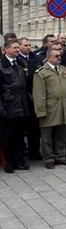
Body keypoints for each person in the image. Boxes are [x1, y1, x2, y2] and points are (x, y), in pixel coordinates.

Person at [33, 49, 66, 169]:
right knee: (47, 135)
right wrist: (41, 111)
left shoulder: (65, 71)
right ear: (48, 57)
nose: (59, 58)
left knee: (61, 133)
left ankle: (60, 156)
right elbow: (39, 94)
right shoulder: (41, 73)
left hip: (63, 106)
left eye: (60, 56)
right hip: (49, 107)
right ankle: (48, 158)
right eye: (56, 56)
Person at [0, 39, 32, 173]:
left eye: (18, 48)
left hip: (22, 105)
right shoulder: (1, 66)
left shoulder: (21, 63)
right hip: (8, 107)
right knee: (7, 138)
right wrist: (1, 109)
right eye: (14, 48)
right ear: (6, 50)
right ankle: (8, 162)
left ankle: (19, 161)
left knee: (19, 136)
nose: (17, 50)